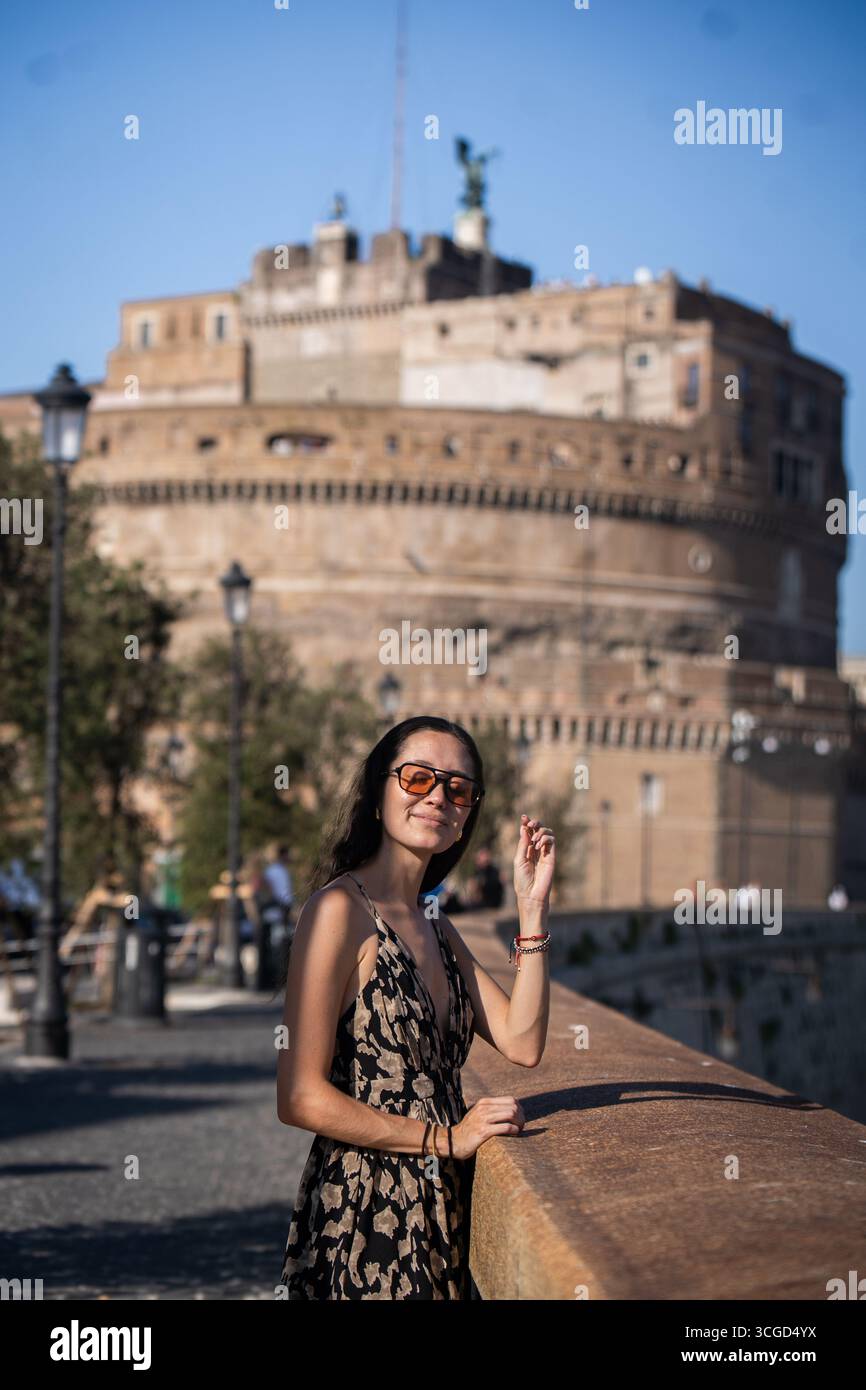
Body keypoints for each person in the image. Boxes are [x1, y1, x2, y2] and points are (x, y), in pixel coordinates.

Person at [276, 714, 556, 1300]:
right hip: (364, 1209)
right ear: (379, 793)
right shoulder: (339, 911)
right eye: (417, 778)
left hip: (439, 1209)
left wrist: (532, 913)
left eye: (457, 789)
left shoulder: (435, 923)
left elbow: (523, 1043)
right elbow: (300, 1096)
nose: (438, 797)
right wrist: (444, 1140)